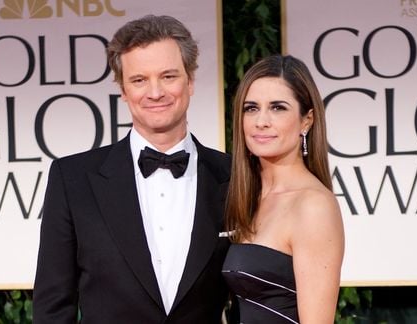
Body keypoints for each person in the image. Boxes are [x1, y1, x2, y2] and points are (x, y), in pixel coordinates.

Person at [33, 15, 231, 323]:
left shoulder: (235, 177)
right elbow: (53, 307)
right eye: (139, 80)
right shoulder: (72, 179)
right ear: (123, 89)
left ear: (190, 80)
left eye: (168, 76)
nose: (155, 93)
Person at [222, 55, 345, 323]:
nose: (261, 121)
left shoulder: (313, 206)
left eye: (278, 108)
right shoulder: (244, 197)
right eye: (251, 108)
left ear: (306, 121)